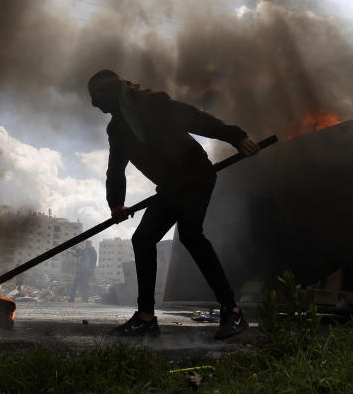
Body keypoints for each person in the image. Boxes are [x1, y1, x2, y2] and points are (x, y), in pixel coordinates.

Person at [87, 70, 260, 339]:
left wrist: (235, 136)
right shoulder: (117, 129)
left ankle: (232, 314)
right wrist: (116, 203)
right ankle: (146, 318)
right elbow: (116, 169)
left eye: (99, 101)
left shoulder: (153, 102)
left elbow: (197, 119)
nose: (99, 109)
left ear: (111, 92)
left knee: (191, 236)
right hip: (169, 187)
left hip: (195, 175)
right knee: (143, 240)